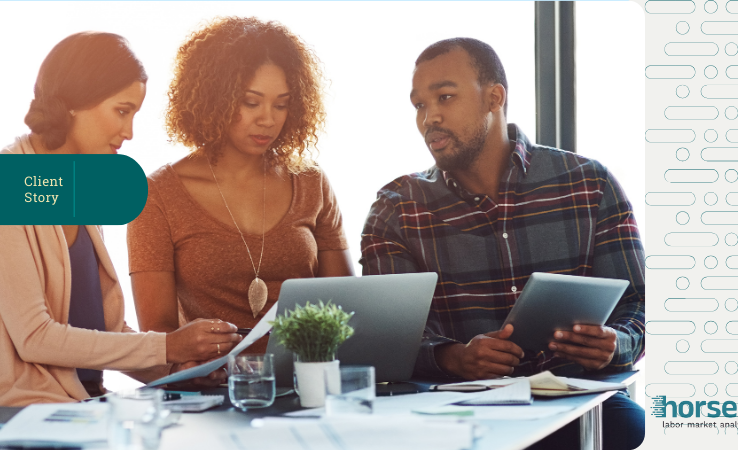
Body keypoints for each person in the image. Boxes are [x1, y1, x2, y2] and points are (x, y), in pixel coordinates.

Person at [360, 38, 645, 449]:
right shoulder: (397, 208)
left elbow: (639, 304)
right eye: (419, 105)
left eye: (444, 97)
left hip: (570, 399)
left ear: (494, 97)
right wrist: (452, 356)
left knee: (623, 426)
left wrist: (615, 344)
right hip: (457, 408)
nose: (429, 118)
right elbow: (388, 339)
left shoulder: (588, 183)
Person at [0, 32, 242, 406]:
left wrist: (177, 369)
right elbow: (34, 337)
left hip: (86, 404)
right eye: (122, 110)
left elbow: (104, 332)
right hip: (26, 412)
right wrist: (166, 345)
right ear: (75, 103)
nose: (128, 132)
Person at [128, 17, 353, 353]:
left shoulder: (310, 182)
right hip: (210, 388)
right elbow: (159, 336)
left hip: (307, 380)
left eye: (282, 104)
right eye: (251, 102)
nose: (268, 119)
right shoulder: (157, 194)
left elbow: (347, 309)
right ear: (214, 99)